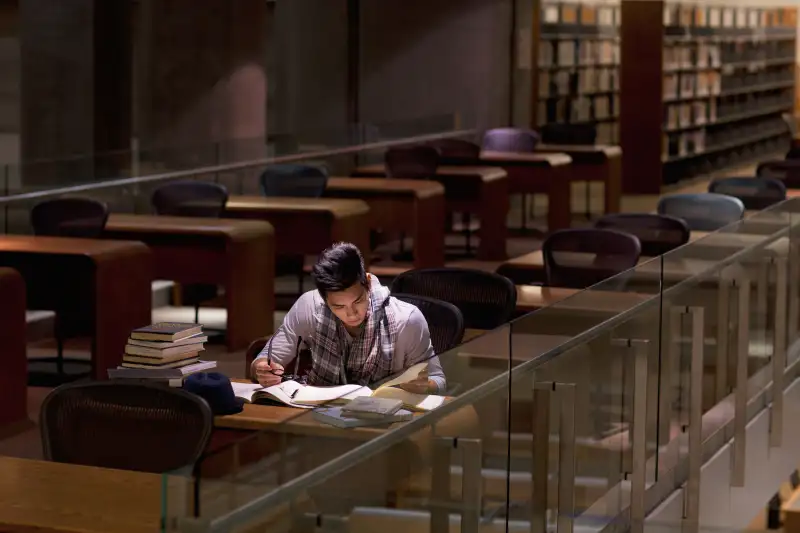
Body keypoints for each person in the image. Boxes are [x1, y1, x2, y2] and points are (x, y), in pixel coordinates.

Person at [252, 242, 446, 394]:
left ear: (368, 284)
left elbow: (439, 380)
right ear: (323, 298)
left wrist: (425, 385)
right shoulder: (309, 306)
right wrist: (262, 369)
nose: (351, 313)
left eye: (358, 301)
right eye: (339, 306)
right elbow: (264, 360)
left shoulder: (406, 319)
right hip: (320, 412)